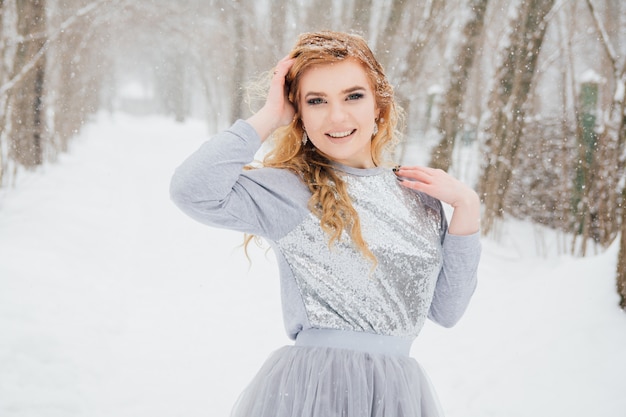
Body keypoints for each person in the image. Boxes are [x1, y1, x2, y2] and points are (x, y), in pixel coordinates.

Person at [170, 31, 481, 417]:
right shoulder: (290, 189)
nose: (337, 116)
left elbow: (446, 311)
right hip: (316, 389)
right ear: (298, 113)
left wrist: (466, 208)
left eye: (353, 96)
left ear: (379, 105)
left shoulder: (419, 196)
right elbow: (192, 190)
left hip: (396, 394)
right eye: (316, 101)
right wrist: (270, 116)